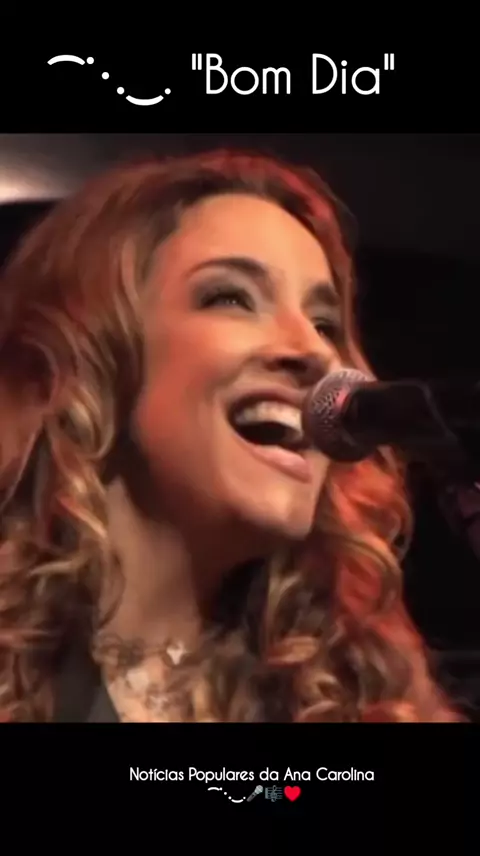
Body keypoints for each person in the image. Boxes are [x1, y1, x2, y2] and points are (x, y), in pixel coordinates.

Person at [0, 148, 459, 723]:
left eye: (325, 324)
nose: (315, 351)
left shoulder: (365, 692)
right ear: (96, 356)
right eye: (232, 298)